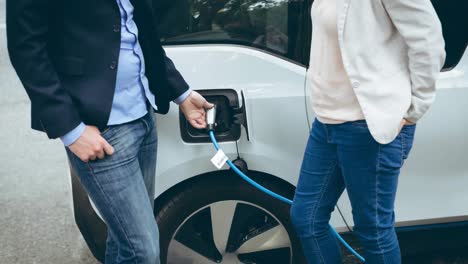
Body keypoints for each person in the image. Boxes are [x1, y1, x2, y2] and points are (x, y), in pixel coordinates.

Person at [6, 0, 213, 263]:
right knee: (143, 250)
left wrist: (181, 93)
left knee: (123, 239)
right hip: (100, 128)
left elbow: (139, 32)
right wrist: (71, 130)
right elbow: (25, 48)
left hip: (143, 112)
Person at [290, 0, 446, 263]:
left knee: (372, 229)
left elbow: (428, 41)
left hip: (367, 124)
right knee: (306, 218)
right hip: (327, 121)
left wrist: (414, 108)